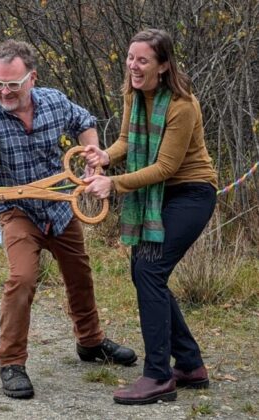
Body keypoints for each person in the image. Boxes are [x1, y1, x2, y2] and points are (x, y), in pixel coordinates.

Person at [0, 39, 137, 399]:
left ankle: (91, 343)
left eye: (12, 85)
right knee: (22, 279)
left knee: (79, 274)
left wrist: (92, 154)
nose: (4, 92)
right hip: (17, 212)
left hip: (61, 206)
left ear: (31, 78)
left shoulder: (54, 101)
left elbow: (85, 122)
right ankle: (12, 363)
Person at [83, 29, 217, 405]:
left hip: (191, 192)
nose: (133, 66)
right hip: (157, 195)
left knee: (149, 271)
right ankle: (189, 365)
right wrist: (106, 156)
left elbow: (165, 166)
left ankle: (159, 375)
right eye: (130, 58)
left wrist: (113, 185)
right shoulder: (133, 94)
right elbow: (127, 141)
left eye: (142, 60)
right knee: (146, 272)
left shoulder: (182, 104)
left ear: (163, 65)